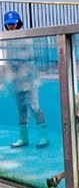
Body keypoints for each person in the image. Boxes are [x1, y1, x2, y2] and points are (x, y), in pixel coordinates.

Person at [4, 10, 49, 148]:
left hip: (29, 81)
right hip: (16, 81)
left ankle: (44, 137)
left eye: (13, 24)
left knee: (35, 107)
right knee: (21, 109)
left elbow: (27, 57)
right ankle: (23, 138)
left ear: (18, 23)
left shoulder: (26, 38)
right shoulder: (6, 40)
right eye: (8, 24)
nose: (11, 27)